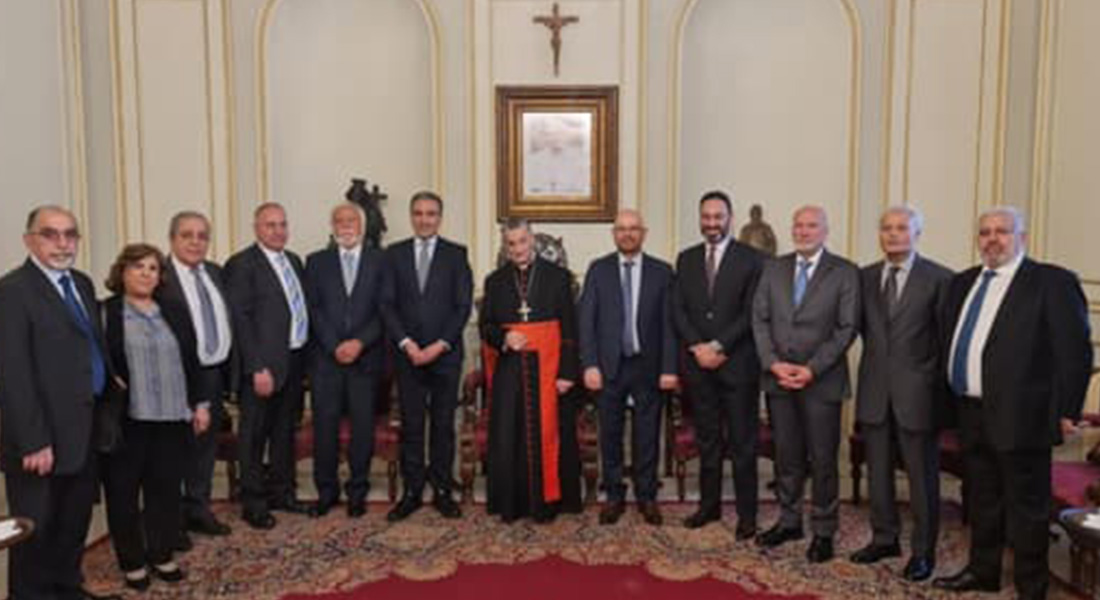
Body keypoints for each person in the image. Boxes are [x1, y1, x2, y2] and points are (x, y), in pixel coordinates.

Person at [932, 207, 1092, 599]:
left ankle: (1031, 587)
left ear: (1022, 237)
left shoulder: (1051, 281)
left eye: (1002, 231)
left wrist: (1067, 411)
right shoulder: (962, 282)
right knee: (981, 499)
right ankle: (983, 571)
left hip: (1025, 415)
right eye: (985, 232)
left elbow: (1074, 352)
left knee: (1027, 507)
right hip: (970, 410)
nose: (993, 239)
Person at [0, 205, 121, 600]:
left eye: (70, 234)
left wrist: (109, 381)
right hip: (41, 437)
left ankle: (67, 588)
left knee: (73, 521)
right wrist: (33, 440)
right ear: (29, 240)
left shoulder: (81, 284)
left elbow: (88, 345)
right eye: (50, 234)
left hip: (85, 427)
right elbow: (13, 373)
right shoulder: (13, 291)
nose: (62, 243)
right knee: (37, 528)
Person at [849, 206, 952, 582]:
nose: (893, 234)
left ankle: (923, 553)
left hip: (918, 395)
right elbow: (859, 329)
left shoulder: (940, 279)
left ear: (916, 234)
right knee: (878, 472)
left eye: (901, 228)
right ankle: (884, 538)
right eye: (886, 228)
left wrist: (937, 394)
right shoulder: (863, 277)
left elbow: (946, 343)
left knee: (921, 478)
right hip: (875, 389)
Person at [752, 205, 859, 563]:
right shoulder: (773, 268)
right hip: (779, 379)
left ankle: (824, 531)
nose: (803, 231)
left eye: (811, 225)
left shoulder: (844, 272)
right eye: (798, 225)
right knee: (787, 456)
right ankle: (789, 521)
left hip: (821, 383)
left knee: (823, 460)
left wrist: (812, 369)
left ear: (825, 231)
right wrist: (773, 363)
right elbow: (759, 319)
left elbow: (846, 328)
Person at [101, 244, 211, 590]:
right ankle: (132, 562)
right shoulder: (106, 312)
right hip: (128, 419)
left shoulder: (173, 311)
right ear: (122, 272)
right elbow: (92, 360)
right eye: (138, 267)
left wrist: (201, 404)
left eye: (152, 268)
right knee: (123, 493)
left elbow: (192, 361)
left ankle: (161, 554)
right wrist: (111, 380)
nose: (146, 274)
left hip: (172, 417)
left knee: (165, 491)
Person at [671, 191, 765, 536]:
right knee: (707, 441)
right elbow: (678, 310)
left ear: (730, 218)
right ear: (700, 219)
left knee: (743, 444)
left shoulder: (752, 259)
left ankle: (747, 516)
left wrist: (719, 345)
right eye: (706, 217)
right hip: (699, 367)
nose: (712, 223)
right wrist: (698, 347)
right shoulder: (686, 259)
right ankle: (708, 508)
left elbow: (752, 311)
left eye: (718, 217)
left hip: (737, 365)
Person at [579, 209, 677, 526]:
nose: (627, 234)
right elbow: (586, 321)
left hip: (648, 366)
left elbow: (670, 324)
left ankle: (647, 496)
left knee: (647, 435)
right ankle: (614, 496)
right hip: (609, 367)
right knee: (610, 435)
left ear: (643, 233)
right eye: (621, 229)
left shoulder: (662, 272)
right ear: (614, 234)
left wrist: (669, 368)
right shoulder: (598, 270)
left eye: (634, 228)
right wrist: (590, 364)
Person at [479, 219, 581, 522]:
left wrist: (567, 372)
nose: (518, 249)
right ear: (505, 246)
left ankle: (550, 503)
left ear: (532, 240)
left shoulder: (559, 278)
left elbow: (570, 329)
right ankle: (514, 504)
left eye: (522, 241)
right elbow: (486, 327)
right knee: (511, 435)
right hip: (511, 372)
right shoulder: (495, 281)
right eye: (511, 244)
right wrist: (504, 337)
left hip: (550, 370)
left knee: (551, 434)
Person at [381, 191, 473, 522]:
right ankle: (412, 492)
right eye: (418, 213)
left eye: (430, 214)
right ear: (411, 217)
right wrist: (407, 344)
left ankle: (443, 490)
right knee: (412, 425)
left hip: (444, 356)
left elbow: (462, 306)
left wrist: (438, 345)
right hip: (408, 356)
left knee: (443, 425)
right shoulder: (394, 254)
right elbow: (386, 304)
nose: (424, 219)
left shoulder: (456, 254)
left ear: (440, 218)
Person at [224, 202, 313, 529]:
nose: (278, 231)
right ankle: (253, 502)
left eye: (282, 224)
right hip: (263, 365)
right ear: (256, 228)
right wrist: (256, 367)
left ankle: (282, 493)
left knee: (284, 432)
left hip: (294, 360)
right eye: (270, 225)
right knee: (253, 435)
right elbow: (241, 320)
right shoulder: (241, 264)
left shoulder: (294, 261)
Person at [304, 203, 385, 518]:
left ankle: (357, 492)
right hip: (327, 361)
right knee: (324, 428)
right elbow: (313, 309)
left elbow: (385, 309)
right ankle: (326, 492)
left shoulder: (381, 261)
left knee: (363, 429)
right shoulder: (316, 262)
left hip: (365, 359)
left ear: (362, 226)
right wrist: (334, 345)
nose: (346, 225)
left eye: (352, 220)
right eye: (339, 221)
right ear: (332, 226)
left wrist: (359, 343)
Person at [158, 211, 233, 539]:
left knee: (205, 447)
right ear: (172, 239)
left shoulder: (215, 272)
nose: (195, 242)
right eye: (187, 235)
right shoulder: (159, 276)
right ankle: (171, 520)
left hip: (212, 373)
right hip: (175, 377)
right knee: (174, 450)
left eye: (202, 236)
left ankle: (198, 508)